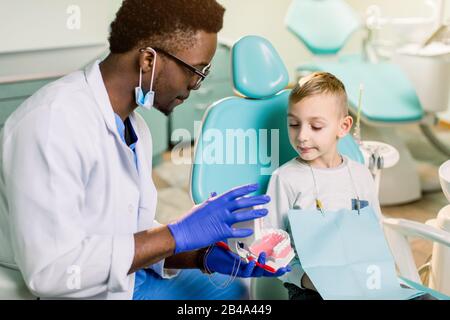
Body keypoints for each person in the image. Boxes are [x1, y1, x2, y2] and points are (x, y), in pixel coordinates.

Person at [0, 0, 289, 300]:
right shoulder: (50, 125)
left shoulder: (135, 127)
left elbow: (127, 230)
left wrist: (199, 256)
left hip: (129, 279)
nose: (196, 84)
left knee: (238, 295)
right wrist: (177, 233)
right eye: (195, 70)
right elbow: (52, 271)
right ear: (148, 60)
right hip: (79, 293)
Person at [264, 72, 382, 300]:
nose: (302, 136)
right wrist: (305, 279)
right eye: (293, 124)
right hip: (309, 287)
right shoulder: (286, 178)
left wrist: (381, 275)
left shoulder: (360, 175)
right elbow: (272, 249)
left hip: (361, 279)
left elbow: (375, 232)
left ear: (343, 126)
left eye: (316, 126)